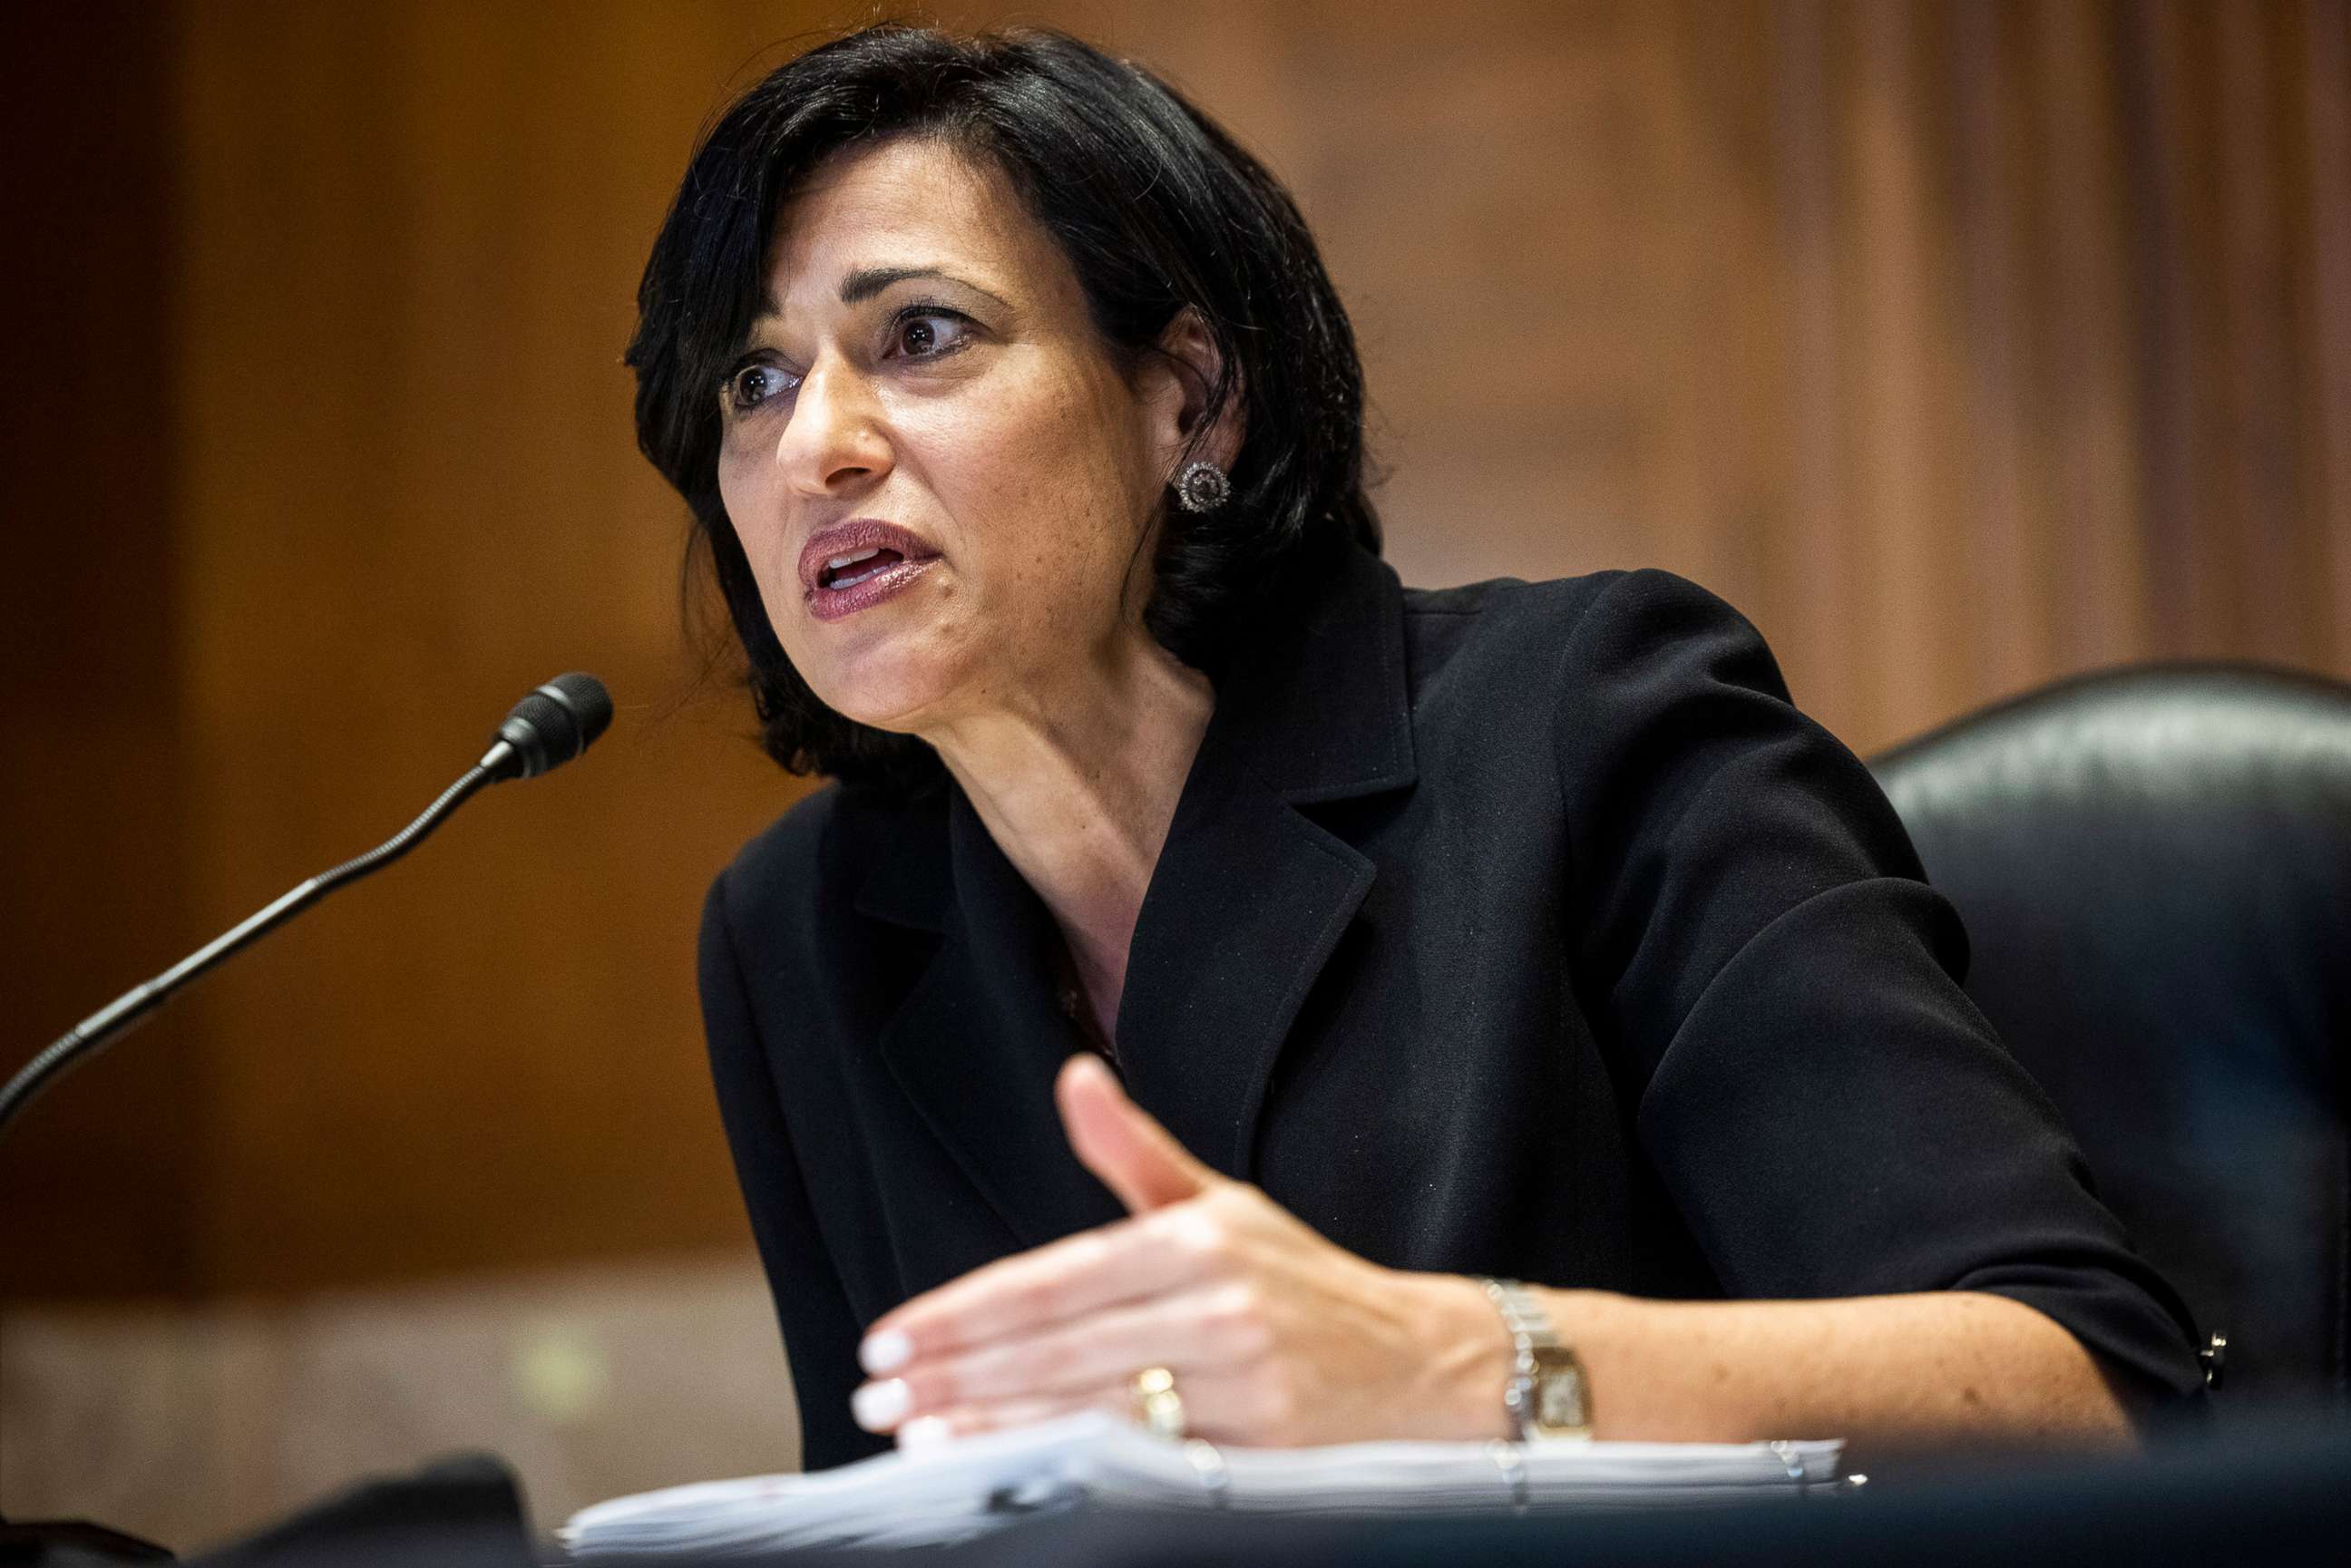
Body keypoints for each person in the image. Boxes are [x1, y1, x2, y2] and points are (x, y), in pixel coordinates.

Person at [627, 24, 2206, 1473]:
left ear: (1192, 398)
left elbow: (2090, 1385)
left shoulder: (1594, 722)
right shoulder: (802, 938)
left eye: (919, 334)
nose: (812, 445)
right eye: (753, 379)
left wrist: (1458, 1361)